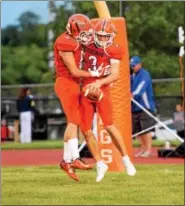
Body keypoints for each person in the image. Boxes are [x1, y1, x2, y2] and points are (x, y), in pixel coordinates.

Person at [80, 19, 136, 182]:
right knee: (86, 130)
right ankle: (100, 163)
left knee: (110, 126)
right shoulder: (86, 45)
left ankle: (126, 160)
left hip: (101, 91)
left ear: (111, 36)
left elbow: (115, 74)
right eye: (100, 36)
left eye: (106, 36)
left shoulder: (114, 49)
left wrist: (99, 83)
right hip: (86, 90)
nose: (103, 39)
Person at [54, 14, 101, 181]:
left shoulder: (75, 40)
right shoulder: (65, 41)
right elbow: (74, 71)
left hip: (73, 83)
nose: (86, 36)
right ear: (73, 28)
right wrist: (94, 73)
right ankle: (74, 158)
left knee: (73, 122)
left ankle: (67, 161)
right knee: (74, 120)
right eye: (83, 32)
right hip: (66, 82)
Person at [130, 56, 156, 157]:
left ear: (140, 64)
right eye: (131, 66)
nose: (133, 67)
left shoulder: (145, 74)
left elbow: (141, 88)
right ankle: (143, 148)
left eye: (134, 65)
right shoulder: (132, 75)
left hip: (145, 107)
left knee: (146, 129)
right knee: (138, 131)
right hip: (134, 107)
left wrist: (133, 95)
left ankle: (148, 150)